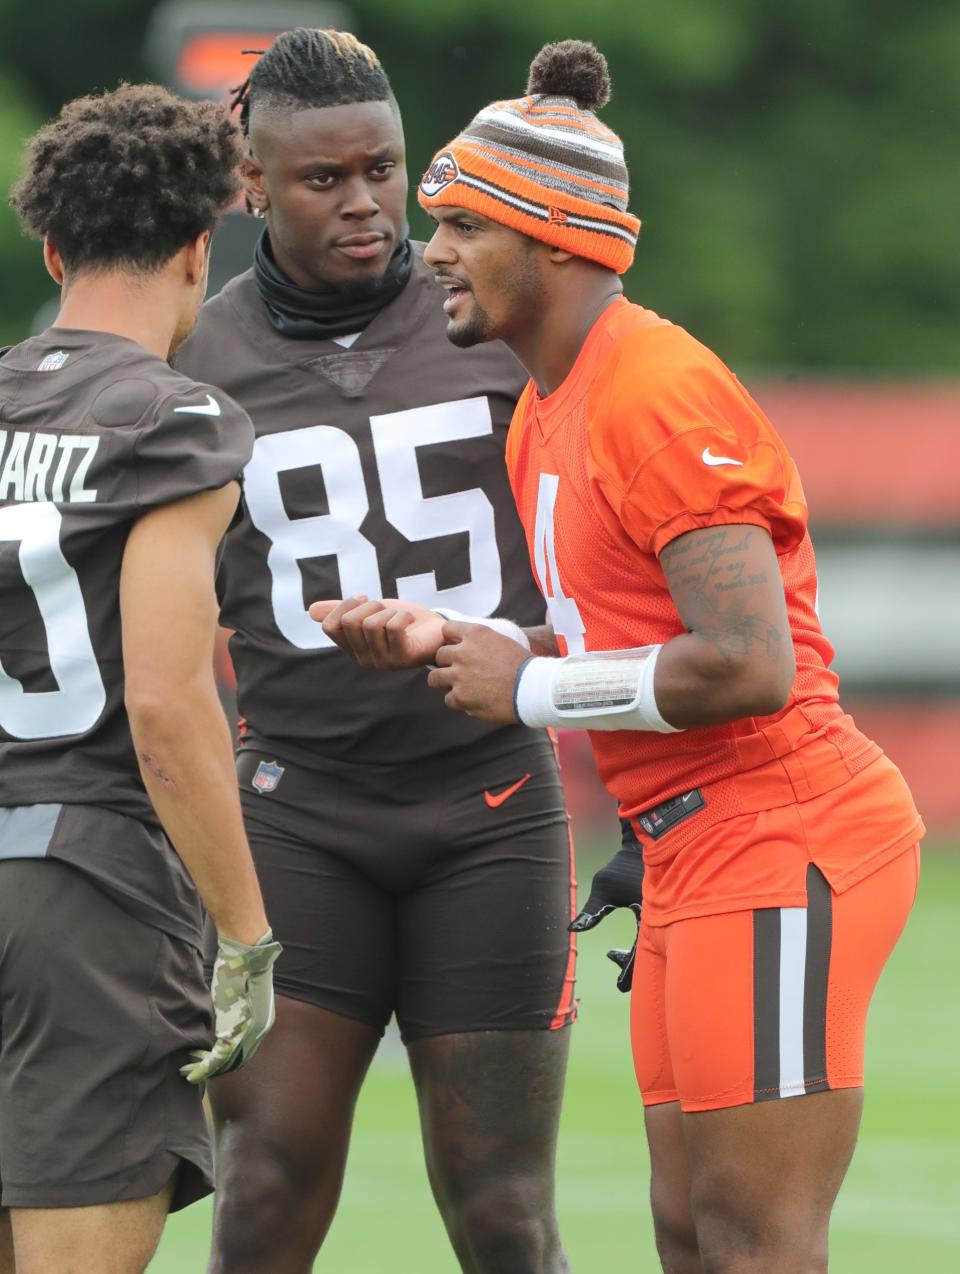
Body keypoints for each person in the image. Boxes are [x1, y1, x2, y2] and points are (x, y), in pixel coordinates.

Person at [319, 39, 925, 1274]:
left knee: (757, 1240)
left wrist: (529, 686)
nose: (429, 249)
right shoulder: (551, 398)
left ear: (553, 237)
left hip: (780, 827)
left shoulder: (653, 388)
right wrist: (479, 641)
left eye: (464, 223)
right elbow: (630, 633)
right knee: (691, 1235)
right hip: (688, 839)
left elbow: (749, 664)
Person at [173, 28, 576, 1274]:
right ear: (252, 186)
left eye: (384, 170)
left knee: (503, 1210)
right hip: (299, 813)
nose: (363, 203)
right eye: (321, 179)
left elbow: (592, 559)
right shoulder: (199, 355)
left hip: (492, 803)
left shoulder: (494, 310)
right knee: (265, 1194)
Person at [0, 85, 281, 1274]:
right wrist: (246, 934)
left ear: (53, 246)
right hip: (86, 894)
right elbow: (167, 709)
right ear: (196, 246)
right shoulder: (174, 417)